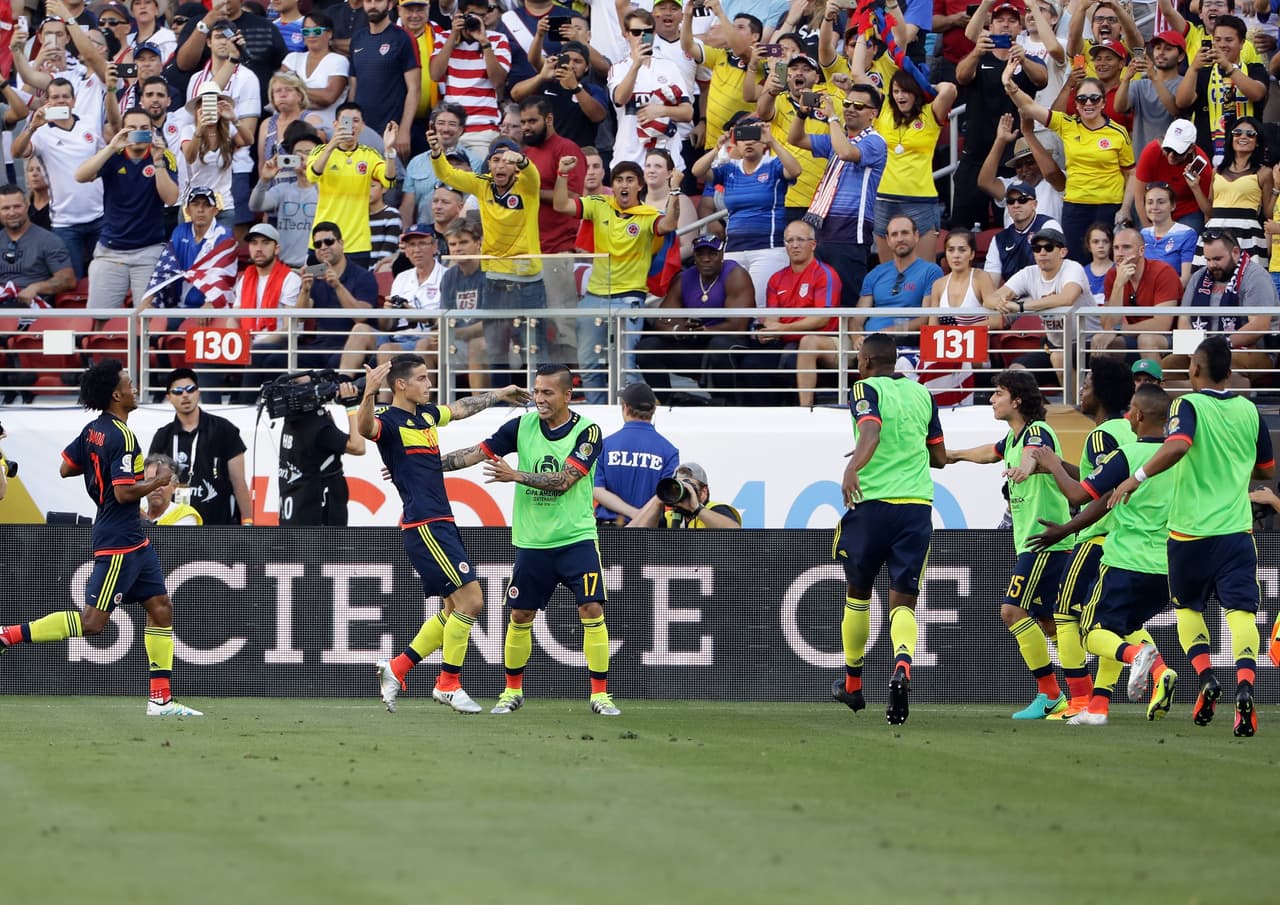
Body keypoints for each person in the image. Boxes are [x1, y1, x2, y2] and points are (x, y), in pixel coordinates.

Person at [0, 360, 201, 717]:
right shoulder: (123, 437)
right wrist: (156, 481)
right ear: (116, 394)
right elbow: (124, 494)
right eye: (129, 382)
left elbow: (65, 468)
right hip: (119, 539)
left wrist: (98, 466)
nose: (134, 386)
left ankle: (161, 700)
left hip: (133, 539)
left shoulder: (94, 429)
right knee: (93, 623)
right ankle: (7, 635)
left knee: (160, 608)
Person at [1109, 336, 1274, 737]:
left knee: (1188, 610)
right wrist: (1230, 472)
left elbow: (1179, 446)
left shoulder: (1187, 404)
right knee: (1240, 614)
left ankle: (1206, 679)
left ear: (1194, 370)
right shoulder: (1250, 410)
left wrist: (1136, 477)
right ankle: (1246, 688)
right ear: (1229, 371)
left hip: (1188, 534)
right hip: (1236, 531)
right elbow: (1267, 470)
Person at [440, 363, 621, 717]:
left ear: (568, 395)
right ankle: (512, 692)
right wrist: (425, 465)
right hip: (532, 541)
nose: (539, 398)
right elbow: (478, 451)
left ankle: (600, 695)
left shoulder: (589, 432)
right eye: (537, 391)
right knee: (520, 614)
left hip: (575, 539)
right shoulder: (521, 426)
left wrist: (515, 475)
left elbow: (566, 480)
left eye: (548, 392)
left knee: (592, 609)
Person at [360, 358, 530, 711]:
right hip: (424, 524)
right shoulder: (389, 422)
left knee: (453, 608)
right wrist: (368, 392)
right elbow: (364, 429)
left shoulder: (424, 417)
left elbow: (460, 409)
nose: (429, 384)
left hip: (440, 521)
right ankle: (448, 683)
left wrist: (500, 393)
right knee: (472, 601)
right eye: (422, 379)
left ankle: (397, 667)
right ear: (401, 385)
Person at [1028, 382, 1177, 725]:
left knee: (1089, 631)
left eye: (1132, 413)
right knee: (1123, 626)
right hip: (1169, 565)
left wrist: (1053, 465)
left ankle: (1136, 665)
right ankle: (1099, 706)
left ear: (1138, 415)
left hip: (1124, 558)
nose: (1128, 417)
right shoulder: (1181, 458)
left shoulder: (1128, 454)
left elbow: (1083, 495)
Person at [826, 332, 946, 724]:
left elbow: (871, 432)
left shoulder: (864, 388)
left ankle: (854, 684)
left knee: (858, 595)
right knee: (903, 600)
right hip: (915, 507)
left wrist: (852, 466)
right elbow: (939, 457)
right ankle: (902, 666)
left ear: (864, 362)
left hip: (872, 504)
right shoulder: (923, 394)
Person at [947, 369, 1074, 719]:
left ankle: (1051, 695)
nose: (992, 399)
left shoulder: (1036, 431)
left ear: (1016, 400)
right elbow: (990, 452)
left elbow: (1035, 454)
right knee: (1049, 622)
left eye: (998, 393)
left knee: (1011, 611)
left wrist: (1025, 469)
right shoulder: (1012, 438)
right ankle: (1087, 691)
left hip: (1044, 542)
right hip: (1038, 542)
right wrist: (954, 455)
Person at [1027, 356, 1136, 718]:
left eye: (1087, 385)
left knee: (1063, 616)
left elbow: (1094, 496)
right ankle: (1155, 670)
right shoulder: (1128, 431)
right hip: (1130, 538)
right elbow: (1101, 478)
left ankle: (1078, 700)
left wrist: (1055, 466)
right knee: (1118, 623)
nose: (1082, 392)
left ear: (1101, 393)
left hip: (1099, 537)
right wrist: (1059, 466)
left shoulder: (1101, 434)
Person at [554, 156, 679, 403]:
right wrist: (562, 175)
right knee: (589, 365)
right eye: (619, 180)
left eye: (630, 180)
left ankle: (637, 415)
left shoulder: (648, 215)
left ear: (639, 186)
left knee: (626, 365)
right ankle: (599, 418)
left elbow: (670, 223)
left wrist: (674, 190)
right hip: (594, 297)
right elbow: (560, 206)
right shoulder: (599, 204)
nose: (624, 184)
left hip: (629, 298)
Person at [431, 132, 545, 383]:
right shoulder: (482, 185)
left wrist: (523, 162)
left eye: (507, 160)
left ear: (515, 165)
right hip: (494, 280)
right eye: (495, 160)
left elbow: (533, 175)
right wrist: (437, 154)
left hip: (529, 280)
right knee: (496, 348)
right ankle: (501, 401)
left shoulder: (526, 186)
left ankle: (540, 399)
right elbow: (448, 175)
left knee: (533, 347)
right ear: (489, 164)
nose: (500, 165)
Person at [1004, 62, 1133, 264]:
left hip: (1108, 205)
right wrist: (1009, 84)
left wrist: (1125, 208)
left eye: (1094, 98)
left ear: (1103, 102)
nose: (1088, 103)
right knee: (1075, 262)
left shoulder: (1118, 132)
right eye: (1082, 99)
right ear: (1077, 103)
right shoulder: (1067, 124)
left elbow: (1130, 174)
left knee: (1107, 262)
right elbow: (1029, 106)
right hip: (1075, 205)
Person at [785, 86, 886, 309]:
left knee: (847, 301)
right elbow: (795, 138)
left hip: (850, 234)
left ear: (873, 113)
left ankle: (851, 343)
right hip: (822, 232)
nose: (850, 109)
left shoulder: (875, 141)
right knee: (821, 301)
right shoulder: (838, 137)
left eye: (858, 106)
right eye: (847, 104)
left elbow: (846, 152)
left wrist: (832, 117)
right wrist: (802, 113)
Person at [75, 109, 180, 313]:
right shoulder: (113, 154)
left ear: (152, 131)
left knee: (148, 320)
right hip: (110, 251)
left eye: (144, 129)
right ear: (123, 130)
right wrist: (111, 147)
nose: (138, 133)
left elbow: (171, 198)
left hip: (149, 250)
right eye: (132, 128)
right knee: (98, 319)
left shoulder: (164, 156)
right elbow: (80, 176)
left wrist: (158, 162)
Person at [635, 233, 754, 404]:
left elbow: (738, 325)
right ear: (695, 257)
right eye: (701, 254)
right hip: (696, 341)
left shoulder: (735, 274)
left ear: (721, 255)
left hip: (729, 341)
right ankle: (668, 401)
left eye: (712, 254)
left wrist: (706, 330)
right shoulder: (684, 278)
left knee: (719, 346)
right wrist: (677, 329)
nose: (706, 259)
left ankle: (727, 402)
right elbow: (662, 319)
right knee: (647, 348)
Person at [736, 218, 840, 405]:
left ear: (813, 244)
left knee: (792, 361)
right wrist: (768, 329)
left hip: (818, 341)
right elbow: (772, 317)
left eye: (800, 240)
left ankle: (802, 414)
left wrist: (781, 328)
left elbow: (821, 319)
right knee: (751, 364)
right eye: (789, 241)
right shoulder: (777, 278)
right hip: (784, 342)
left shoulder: (825, 273)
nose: (795, 245)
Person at [10, 78, 104, 279]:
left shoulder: (88, 123)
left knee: (103, 280)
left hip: (100, 217)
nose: (61, 101)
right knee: (72, 281)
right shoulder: (41, 132)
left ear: (74, 100)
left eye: (65, 97)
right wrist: (32, 127)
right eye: (55, 97)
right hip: (65, 223)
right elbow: (17, 152)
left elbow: (104, 160)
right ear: (47, 101)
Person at [1165, 229, 1275, 385]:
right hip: (1203, 349)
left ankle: (1201, 394)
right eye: (1208, 259)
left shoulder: (1255, 276)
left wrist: (1219, 347)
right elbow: (1184, 319)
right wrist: (1193, 349)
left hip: (1251, 350)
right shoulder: (1198, 277)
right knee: (1166, 367)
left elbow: (1259, 325)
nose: (1211, 265)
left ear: (1235, 253)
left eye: (1217, 259)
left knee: (1220, 364)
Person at [148, 368, 253, 525]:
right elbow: (152, 482)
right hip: (175, 527)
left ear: (198, 392)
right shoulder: (163, 435)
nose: (185, 395)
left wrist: (249, 521)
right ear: (169, 397)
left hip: (217, 527)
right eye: (177, 391)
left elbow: (239, 481)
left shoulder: (224, 429)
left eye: (190, 389)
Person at [994, 227, 1088, 387]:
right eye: (1037, 249)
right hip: (1055, 346)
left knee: (1059, 356)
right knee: (1015, 372)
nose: (1042, 252)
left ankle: (1074, 410)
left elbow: (1067, 298)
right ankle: (1040, 411)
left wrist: (1021, 306)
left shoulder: (1073, 268)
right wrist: (1001, 302)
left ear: (1062, 252)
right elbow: (992, 298)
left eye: (1048, 247)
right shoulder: (1029, 273)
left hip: (1086, 342)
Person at [306, 103, 398, 266]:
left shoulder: (369, 155)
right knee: (319, 289)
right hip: (323, 241)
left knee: (354, 291)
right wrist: (332, 144)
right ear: (335, 124)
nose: (351, 125)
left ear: (362, 126)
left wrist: (389, 150)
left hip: (357, 244)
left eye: (356, 120)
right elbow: (312, 175)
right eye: (345, 121)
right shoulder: (319, 151)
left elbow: (389, 181)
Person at [1172, 15, 1268, 159]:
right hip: (1208, 156)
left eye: (1229, 40)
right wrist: (1193, 69)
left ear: (1242, 43)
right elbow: (1181, 102)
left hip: (1249, 156)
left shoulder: (1255, 69)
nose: (1222, 45)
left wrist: (1228, 67)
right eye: (1217, 40)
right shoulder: (1203, 74)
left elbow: (1257, 93)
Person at [276, 373, 365, 525]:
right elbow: (358, 447)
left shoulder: (292, 422)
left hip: (295, 511)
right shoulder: (318, 427)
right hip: (319, 513)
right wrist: (351, 405)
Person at [430, 0, 513, 159]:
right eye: (472, 16)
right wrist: (454, 35)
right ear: (460, 14)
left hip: (483, 129)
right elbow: (435, 74)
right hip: (449, 129)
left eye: (482, 16)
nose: (477, 21)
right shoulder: (444, 37)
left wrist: (484, 42)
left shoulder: (497, 39)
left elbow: (498, 81)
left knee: (478, 180)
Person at [592, 382, 680, 526]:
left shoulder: (605, 445)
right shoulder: (669, 451)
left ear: (625, 407)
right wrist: (641, 516)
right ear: (654, 409)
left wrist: (634, 513)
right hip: (650, 533)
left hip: (610, 531)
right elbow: (666, 495)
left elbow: (597, 490)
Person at [296, 221, 379, 369]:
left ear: (341, 243)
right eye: (318, 244)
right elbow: (300, 316)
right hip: (320, 346)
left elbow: (361, 316)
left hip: (349, 347)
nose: (323, 247)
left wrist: (337, 286)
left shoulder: (363, 276)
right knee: (277, 359)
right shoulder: (314, 275)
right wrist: (305, 290)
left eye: (329, 241)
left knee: (333, 365)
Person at [1192, 115, 1270, 269]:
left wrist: (1276, 189)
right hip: (1215, 229)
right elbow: (1209, 210)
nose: (1243, 136)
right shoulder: (1217, 171)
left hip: (1247, 233)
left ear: (1257, 141)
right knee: (1209, 284)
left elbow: (1268, 214)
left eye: (1250, 134)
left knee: (1247, 284)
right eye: (1237, 132)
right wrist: (1195, 186)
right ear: (1231, 138)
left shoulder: (1264, 173)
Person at [1093, 226, 1181, 357]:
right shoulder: (1113, 276)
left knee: (1146, 340)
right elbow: (1108, 326)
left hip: (1174, 338)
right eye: (1116, 248)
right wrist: (1118, 284)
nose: (1120, 253)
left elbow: (1162, 325)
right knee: (1099, 340)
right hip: (1136, 335)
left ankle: (1155, 378)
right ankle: (1097, 378)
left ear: (1141, 250)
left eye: (1126, 247)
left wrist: (1120, 329)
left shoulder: (1163, 272)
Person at [347, 0, 418, 158]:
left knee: (391, 180)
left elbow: (414, 89)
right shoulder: (358, 38)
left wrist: (404, 130)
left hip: (390, 131)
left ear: (390, 5)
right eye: (368, 1)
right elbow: (353, 87)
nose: (372, 5)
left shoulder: (403, 38)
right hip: (360, 131)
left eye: (378, 0)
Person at [0, 184, 76, 309]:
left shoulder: (49, 240)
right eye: (5, 208)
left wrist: (36, 287)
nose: (12, 213)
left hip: (32, 306)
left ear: (27, 205)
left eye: (17, 206)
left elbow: (68, 280)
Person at [1132, 119, 1213, 236]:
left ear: (1190, 149)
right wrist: (1149, 232)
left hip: (1187, 210)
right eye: (1168, 149)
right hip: (1155, 207)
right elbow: (1139, 198)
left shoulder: (1202, 164)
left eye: (1177, 152)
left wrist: (1195, 187)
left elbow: (1209, 211)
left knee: (1185, 239)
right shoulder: (1152, 151)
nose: (1171, 156)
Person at [981, 179, 1061, 287]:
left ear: (1034, 204)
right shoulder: (999, 239)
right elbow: (991, 281)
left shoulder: (1047, 225)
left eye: (1022, 200)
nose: (1016, 205)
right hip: (1011, 298)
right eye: (1010, 201)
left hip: (1044, 293)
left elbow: (1053, 269)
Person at [281, 11, 350, 126]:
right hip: (289, 122)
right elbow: (280, 95)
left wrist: (296, 86)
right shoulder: (291, 59)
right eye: (306, 31)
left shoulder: (338, 60)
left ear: (329, 34)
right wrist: (315, 99)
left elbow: (328, 98)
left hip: (325, 125)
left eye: (317, 31)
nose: (311, 35)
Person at [629, 460, 743, 528]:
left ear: (704, 492)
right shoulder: (670, 516)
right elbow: (636, 538)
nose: (683, 491)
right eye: (678, 486)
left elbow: (735, 532)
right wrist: (659, 500)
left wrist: (697, 509)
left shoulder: (715, 509)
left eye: (689, 487)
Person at [1140, 182, 1197, 285]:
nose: (1154, 207)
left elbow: (1185, 278)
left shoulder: (1186, 234)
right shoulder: (1142, 234)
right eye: (1149, 202)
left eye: (1161, 202)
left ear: (1173, 206)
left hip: (1170, 294)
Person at [141, 453, 203, 526]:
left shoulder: (186, 515)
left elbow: (169, 537)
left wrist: (145, 520)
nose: (157, 488)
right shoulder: (137, 511)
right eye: (151, 481)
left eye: (163, 482)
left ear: (174, 486)